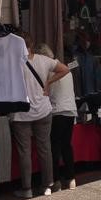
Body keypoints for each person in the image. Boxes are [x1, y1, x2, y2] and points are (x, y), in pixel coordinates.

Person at [12, 36, 70, 198]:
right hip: (43, 110)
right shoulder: (44, 60)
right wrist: (48, 82)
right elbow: (65, 69)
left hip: (21, 112)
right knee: (44, 149)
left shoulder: (15, 63)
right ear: (32, 45)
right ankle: (47, 185)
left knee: (25, 152)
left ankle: (27, 189)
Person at [35, 44, 78, 191]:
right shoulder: (67, 70)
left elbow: (45, 93)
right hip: (70, 110)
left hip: (57, 111)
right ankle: (71, 178)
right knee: (66, 145)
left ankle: (55, 181)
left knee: (54, 147)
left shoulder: (49, 72)